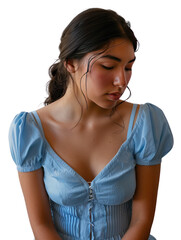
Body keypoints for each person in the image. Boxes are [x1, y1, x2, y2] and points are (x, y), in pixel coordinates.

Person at [9, 8, 173, 240]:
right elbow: (42, 226)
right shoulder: (30, 130)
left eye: (128, 67)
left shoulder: (145, 123)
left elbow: (142, 220)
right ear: (70, 64)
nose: (122, 81)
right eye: (108, 66)